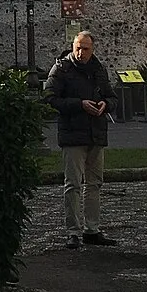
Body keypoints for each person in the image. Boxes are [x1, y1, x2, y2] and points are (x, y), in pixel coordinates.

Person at [45, 30, 115, 247]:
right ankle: (73, 232)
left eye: (85, 48)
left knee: (95, 184)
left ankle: (92, 230)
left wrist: (106, 105)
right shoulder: (62, 68)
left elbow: (111, 96)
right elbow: (49, 97)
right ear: (72, 46)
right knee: (73, 184)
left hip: (96, 133)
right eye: (78, 47)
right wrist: (79, 104)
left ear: (92, 49)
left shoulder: (99, 69)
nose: (80, 52)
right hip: (73, 134)